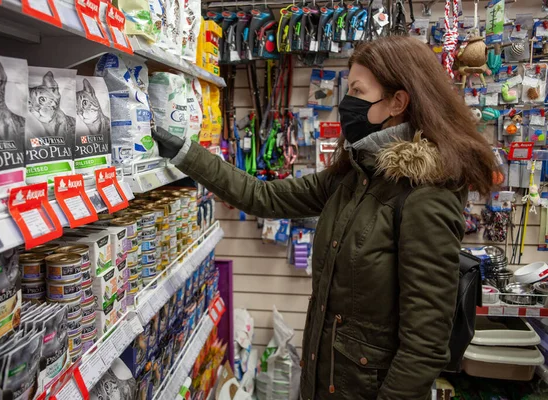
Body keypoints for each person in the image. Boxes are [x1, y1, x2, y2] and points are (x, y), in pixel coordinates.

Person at [153, 36, 497, 400]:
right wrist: (186, 153)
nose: (345, 104)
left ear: (397, 101)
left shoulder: (425, 195)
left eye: (357, 91)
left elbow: (425, 345)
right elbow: (263, 196)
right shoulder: (354, 175)